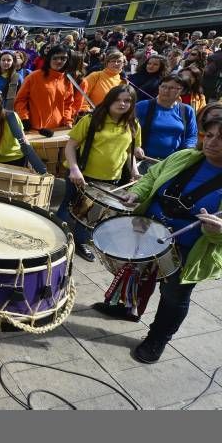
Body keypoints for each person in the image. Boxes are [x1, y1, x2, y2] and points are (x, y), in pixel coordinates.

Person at [114, 118, 222, 363]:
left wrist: (217, 230)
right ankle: (126, 308)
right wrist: (137, 192)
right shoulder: (185, 156)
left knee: (174, 295)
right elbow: (152, 177)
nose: (212, 142)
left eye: (221, 138)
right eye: (210, 135)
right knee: (135, 274)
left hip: (187, 248)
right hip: (149, 232)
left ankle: (158, 339)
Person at [56, 85, 142, 261]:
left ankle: (80, 244)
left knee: (90, 215)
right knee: (68, 207)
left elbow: (129, 152)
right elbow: (71, 146)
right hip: (81, 175)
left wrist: (134, 170)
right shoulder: (91, 119)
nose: (122, 104)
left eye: (127, 101)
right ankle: (56, 239)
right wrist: (74, 169)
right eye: (118, 100)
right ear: (109, 100)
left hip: (111, 179)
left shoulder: (133, 124)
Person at [135, 74, 197, 162]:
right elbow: (128, 128)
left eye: (172, 88)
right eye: (163, 86)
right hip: (143, 159)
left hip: (172, 163)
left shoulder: (187, 110)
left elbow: (191, 136)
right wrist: (135, 146)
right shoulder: (143, 106)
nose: (166, 90)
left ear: (182, 91)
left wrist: (188, 150)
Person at [14, 45, 75, 132]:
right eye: (55, 58)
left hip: (59, 130)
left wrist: (67, 120)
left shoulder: (67, 80)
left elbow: (68, 104)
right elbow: (20, 100)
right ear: (49, 59)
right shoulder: (33, 77)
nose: (59, 61)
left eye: (63, 58)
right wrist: (24, 118)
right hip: (35, 129)